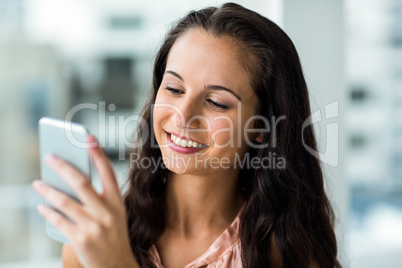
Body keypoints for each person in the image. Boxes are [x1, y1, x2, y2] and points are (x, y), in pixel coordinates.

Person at [33, 2, 341, 268]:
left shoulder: (286, 253)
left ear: (262, 129)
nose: (183, 115)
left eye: (216, 102)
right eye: (174, 89)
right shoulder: (92, 241)